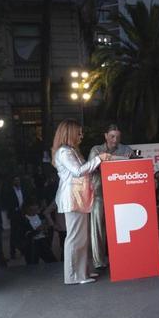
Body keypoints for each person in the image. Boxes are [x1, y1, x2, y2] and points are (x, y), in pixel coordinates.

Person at [52, 120, 111, 285]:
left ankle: (82, 272)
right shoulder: (64, 152)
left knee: (81, 238)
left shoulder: (71, 151)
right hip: (72, 198)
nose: (81, 136)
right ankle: (73, 275)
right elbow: (78, 171)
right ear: (69, 133)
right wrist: (99, 159)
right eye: (78, 133)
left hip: (79, 198)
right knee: (75, 238)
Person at [86, 124, 135, 272]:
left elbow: (133, 165)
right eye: (112, 136)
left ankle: (123, 257)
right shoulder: (96, 150)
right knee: (98, 228)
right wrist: (121, 160)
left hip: (120, 194)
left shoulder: (127, 149)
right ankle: (99, 262)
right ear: (106, 136)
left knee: (121, 228)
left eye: (118, 137)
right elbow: (93, 167)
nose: (115, 140)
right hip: (99, 193)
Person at [0, 175, 30, 260]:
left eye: (18, 180)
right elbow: (8, 202)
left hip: (22, 213)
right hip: (14, 214)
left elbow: (24, 199)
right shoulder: (10, 191)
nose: (17, 182)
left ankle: (22, 249)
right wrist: (14, 208)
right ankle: (12, 252)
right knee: (13, 233)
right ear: (13, 182)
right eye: (16, 180)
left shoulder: (22, 190)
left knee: (22, 232)